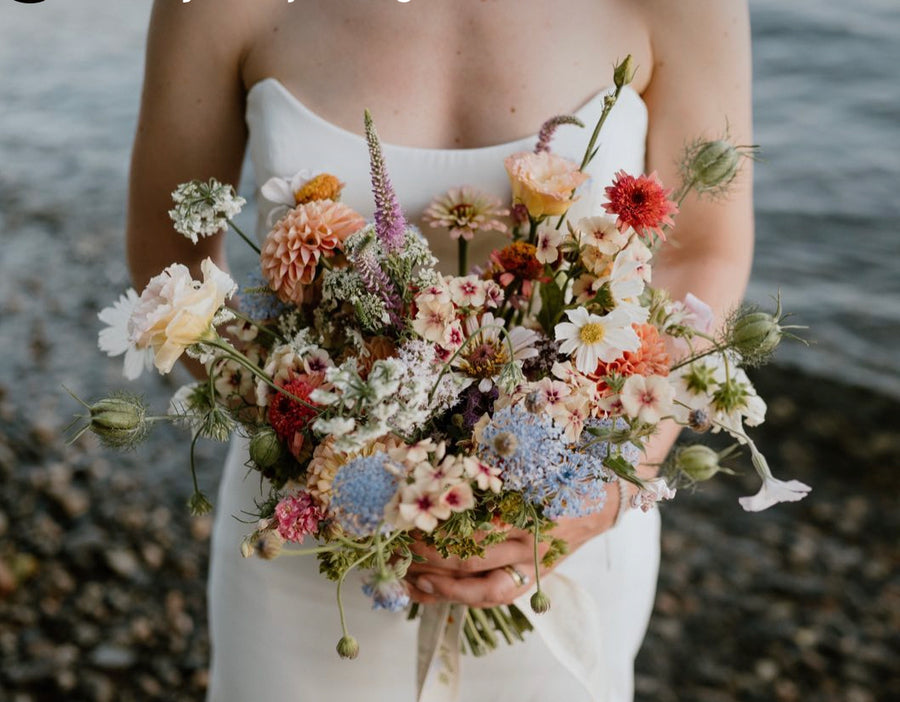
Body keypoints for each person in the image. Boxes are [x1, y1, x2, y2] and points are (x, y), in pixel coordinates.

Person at [127, 1, 754, 700]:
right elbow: (170, 261)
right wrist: (317, 446)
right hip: (308, 539)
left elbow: (704, 251)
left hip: (565, 531)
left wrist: (613, 480)